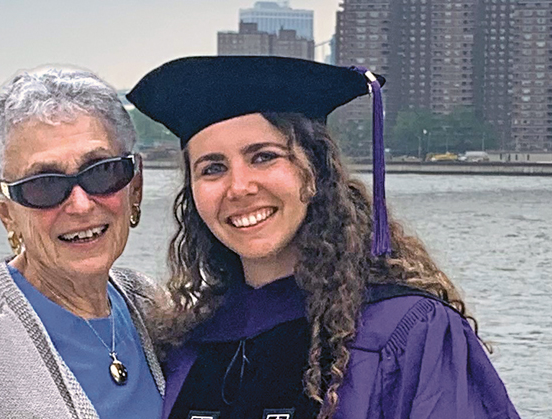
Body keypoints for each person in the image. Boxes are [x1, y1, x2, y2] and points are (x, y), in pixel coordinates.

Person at [127, 56, 520, 419]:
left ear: (315, 170)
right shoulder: (190, 343)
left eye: (264, 156)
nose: (239, 187)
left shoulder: (407, 330)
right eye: (212, 168)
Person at [0, 67, 164, 418]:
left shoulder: (149, 305)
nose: (81, 204)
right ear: (4, 209)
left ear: (136, 185)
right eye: (44, 185)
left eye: (102, 172)